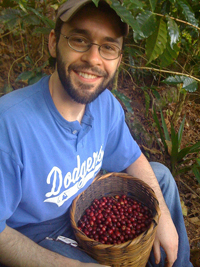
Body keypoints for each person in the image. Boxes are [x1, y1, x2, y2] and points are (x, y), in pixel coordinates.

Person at [0, 0, 193, 266]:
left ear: (119, 58)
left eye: (108, 47)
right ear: (53, 42)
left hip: (84, 206)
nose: (93, 59)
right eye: (79, 40)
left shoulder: (105, 105)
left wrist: (165, 221)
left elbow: (132, 157)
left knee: (160, 177)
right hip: (40, 234)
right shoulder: (9, 125)